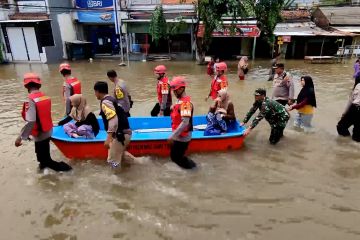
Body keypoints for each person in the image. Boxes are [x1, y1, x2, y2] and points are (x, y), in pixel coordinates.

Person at [15, 73, 72, 172]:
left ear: (26, 86)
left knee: (45, 160)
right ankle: (42, 175)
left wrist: (20, 138)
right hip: (48, 131)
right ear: (39, 85)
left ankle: (69, 170)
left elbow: (31, 121)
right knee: (42, 157)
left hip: (40, 134)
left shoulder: (30, 99)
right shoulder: (44, 97)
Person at [94, 81, 136, 168]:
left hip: (120, 135)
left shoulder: (106, 102)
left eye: (95, 92)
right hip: (124, 133)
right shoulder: (111, 99)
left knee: (112, 161)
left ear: (97, 91)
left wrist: (109, 138)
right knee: (122, 156)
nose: (95, 94)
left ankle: (117, 179)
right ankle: (144, 162)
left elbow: (113, 119)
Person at [168, 76, 197, 169]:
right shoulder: (180, 101)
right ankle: (191, 167)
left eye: (175, 90)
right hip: (178, 135)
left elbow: (185, 122)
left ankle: (193, 169)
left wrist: (172, 136)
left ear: (181, 89)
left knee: (176, 157)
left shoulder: (186, 104)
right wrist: (173, 106)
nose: (174, 92)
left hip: (182, 137)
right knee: (175, 157)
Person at [337, 76, 360, 142]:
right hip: (356, 108)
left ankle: (347, 142)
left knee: (341, 126)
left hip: (355, 109)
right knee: (357, 134)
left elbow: (350, 102)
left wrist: (344, 114)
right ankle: (354, 146)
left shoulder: (358, 86)